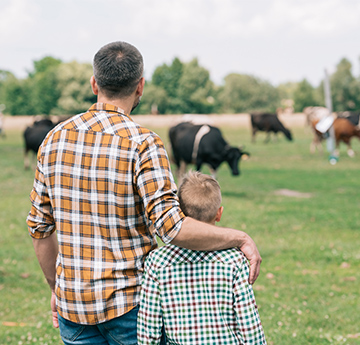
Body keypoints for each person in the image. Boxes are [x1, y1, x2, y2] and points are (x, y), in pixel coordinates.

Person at [26, 41, 262, 345]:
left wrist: (56, 288)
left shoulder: (53, 140)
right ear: (141, 86)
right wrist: (239, 237)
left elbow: (39, 228)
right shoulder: (144, 144)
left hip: (74, 308)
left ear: (94, 83)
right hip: (132, 309)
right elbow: (171, 227)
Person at [137, 171, 267, 344]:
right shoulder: (235, 260)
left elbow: (149, 325)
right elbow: (249, 324)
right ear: (219, 214)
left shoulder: (157, 261)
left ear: (179, 213)